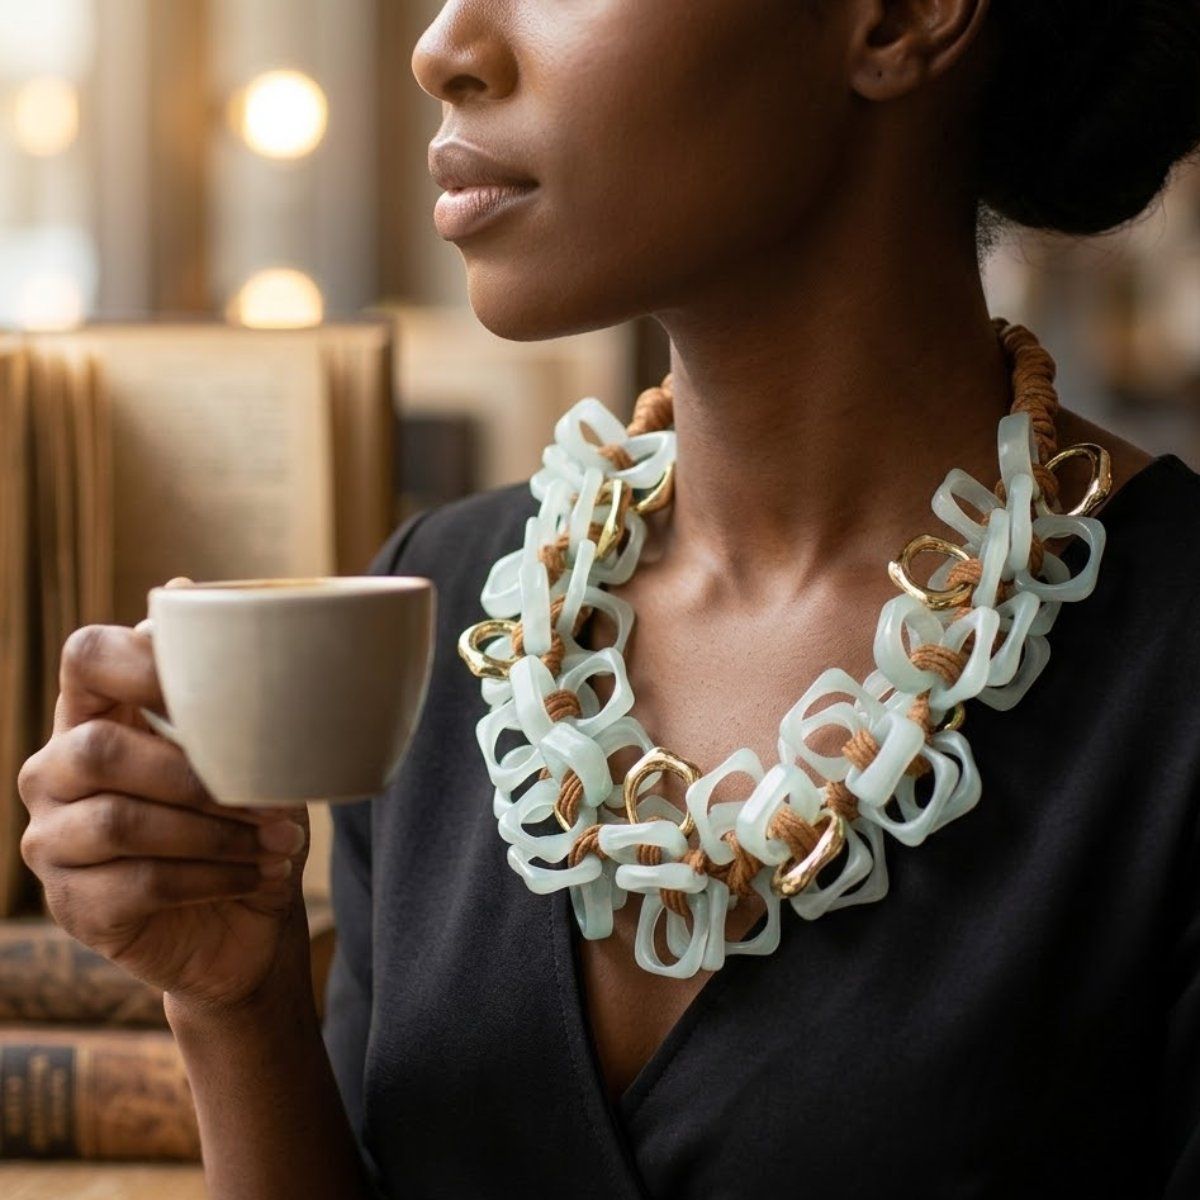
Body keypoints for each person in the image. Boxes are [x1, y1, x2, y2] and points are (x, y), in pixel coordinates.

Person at [16, 1, 1200, 1197]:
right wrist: (236, 1007)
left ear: (895, 20)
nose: (443, 47)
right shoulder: (447, 612)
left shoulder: (1174, 672)